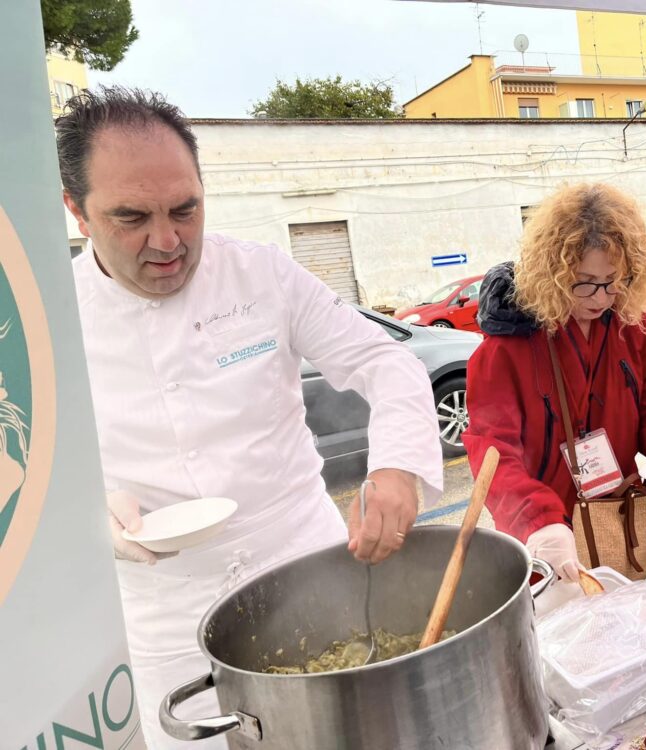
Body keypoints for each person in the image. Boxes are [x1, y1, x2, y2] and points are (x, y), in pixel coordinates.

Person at [57, 87, 443, 748]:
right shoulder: (48, 322)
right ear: (77, 212)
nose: (167, 240)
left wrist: (399, 466)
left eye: (185, 209)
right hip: (164, 606)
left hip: (305, 562)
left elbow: (387, 361)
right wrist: (89, 507)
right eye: (131, 217)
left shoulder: (262, 274)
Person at [462, 182, 646, 581]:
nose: (601, 297)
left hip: (615, 516)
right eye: (584, 281)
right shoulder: (505, 350)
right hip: (545, 530)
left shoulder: (638, 328)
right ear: (553, 274)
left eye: (614, 280)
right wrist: (538, 519)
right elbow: (492, 451)